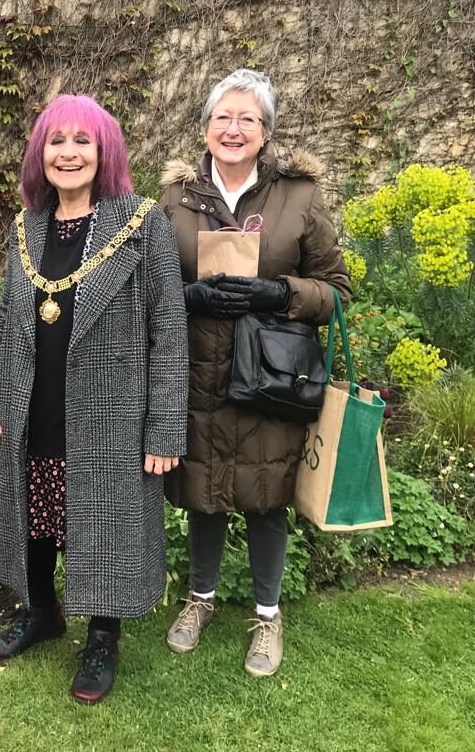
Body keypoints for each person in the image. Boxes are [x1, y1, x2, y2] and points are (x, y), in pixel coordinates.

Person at [0, 94, 188, 704]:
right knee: (38, 515)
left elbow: (169, 329)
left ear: (104, 151)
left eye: (82, 141)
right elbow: (3, 324)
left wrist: (165, 427)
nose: (68, 153)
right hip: (34, 404)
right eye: (56, 141)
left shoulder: (140, 222)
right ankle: (42, 612)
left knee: (105, 526)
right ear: (40, 154)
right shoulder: (27, 227)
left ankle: (103, 638)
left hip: (112, 413)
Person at [158, 68, 351, 676]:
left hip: (271, 374)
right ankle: (200, 600)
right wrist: (189, 298)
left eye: (248, 119)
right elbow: (149, 285)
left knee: (267, 498)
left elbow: (336, 292)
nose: (234, 129)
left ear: (265, 133)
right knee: (205, 494)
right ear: (206, 128)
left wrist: (277, 293)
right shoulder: (176, 200)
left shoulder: (299, 197)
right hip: (199, 372)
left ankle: (268, 616)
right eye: (223, 117)